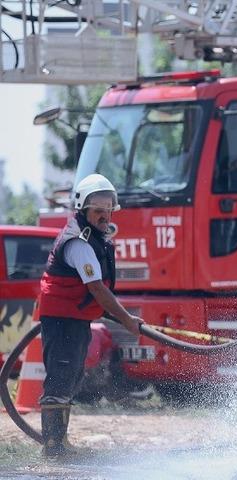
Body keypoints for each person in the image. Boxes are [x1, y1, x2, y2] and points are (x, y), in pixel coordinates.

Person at [37, 173, 144, 458]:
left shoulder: (96, 237)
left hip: (75, 317)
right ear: (83, 210)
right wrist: (126, 320)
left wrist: (122, 316)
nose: (104, 216)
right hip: (62, 319)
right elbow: (96, 288)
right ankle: (53, 447)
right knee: (60, 378)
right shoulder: (80, 243)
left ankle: (59, 442)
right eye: (97, 211)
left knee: (70, 376)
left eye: (108, 210)